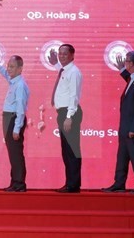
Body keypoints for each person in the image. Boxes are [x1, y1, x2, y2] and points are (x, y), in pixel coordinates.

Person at [102, 51, 134, 194]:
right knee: (122, 156)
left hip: (132, 128)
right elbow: (129, 81)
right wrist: (121, 70)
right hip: (125, 126)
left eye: (126, 61)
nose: (125, 63)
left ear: (132, 63)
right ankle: (119, 183)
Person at [0, 52, 30, 192]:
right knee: (12, 152)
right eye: (8, 66)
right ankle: (15, 182)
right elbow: (4, 73)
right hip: (8, 119)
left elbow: (20, 109)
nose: (9, 69)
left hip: (14, 119)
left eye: (12, 67)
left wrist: (17, 128)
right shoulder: (13, 81)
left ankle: (19, 183)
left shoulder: (20, 85)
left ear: (20, 69)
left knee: (16, 152)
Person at [48, 44, 83, 193]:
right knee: (66, 150)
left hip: (70, 114)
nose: (61, 56)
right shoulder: (65, 71)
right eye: (60, 53)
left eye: (64, 54)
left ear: (72, 55)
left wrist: (69, 117)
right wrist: (56, 64)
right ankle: (70, 182)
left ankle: (73, 185)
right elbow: (64, 78)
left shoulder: (74, 72)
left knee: (72, 150)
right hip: (63, 113)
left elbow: (73, 96)